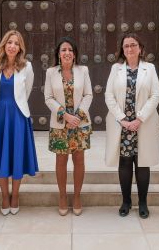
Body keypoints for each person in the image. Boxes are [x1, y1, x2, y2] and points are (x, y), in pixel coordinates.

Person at [0, 30, 39, 215]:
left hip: (18, 116)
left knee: (16, 156)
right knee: (1, 156)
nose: (12, 46)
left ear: (20, 47)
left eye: (16, 43)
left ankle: (15, 195)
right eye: (9, 42)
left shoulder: (27, 67)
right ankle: (5, 196)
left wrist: (17, 106)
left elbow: (26, 91)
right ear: (4, 45)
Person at [104, 33, 159, 219]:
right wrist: (122, 119)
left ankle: (143, 202)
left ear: (140, 48)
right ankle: (126, 201)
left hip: (142, 124)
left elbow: (155, 96)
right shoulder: (116, 69)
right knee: (125, 162)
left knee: (142, 164)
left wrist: (140, 119)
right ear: (122, 49)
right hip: (123, 125)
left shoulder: (149, 69)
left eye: (133, 45)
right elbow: (109, 95)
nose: (130, 49)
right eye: (126, 46)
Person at [44, 37, 93, 216]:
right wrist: (65, 115)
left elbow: (88, 94)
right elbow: (48, 97)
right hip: (60, 124)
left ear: (75, 54)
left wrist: (77, 116)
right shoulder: (50, 72)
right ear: (58, 54)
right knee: (61, 161)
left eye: (70, 50)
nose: (67, 53)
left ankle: (77, 196)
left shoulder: (83, 70)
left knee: (79, 160)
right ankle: (63, 196)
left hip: (80, 123)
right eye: (63, 50)